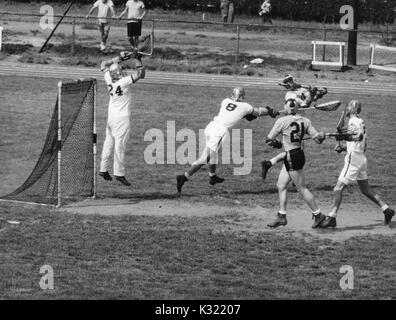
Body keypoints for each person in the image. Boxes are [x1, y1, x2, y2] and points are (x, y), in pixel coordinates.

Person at [176, 87, 278, 194]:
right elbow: (259, 112)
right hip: (220, 131)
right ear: (243, 96)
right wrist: (271, 111)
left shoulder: (225, 101)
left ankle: (212, 176)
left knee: (213, 153)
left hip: (211, 127)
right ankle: (184, 176)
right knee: (206, 157)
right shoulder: (245, 106)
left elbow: (235, 113)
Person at [320, 100, 395, 228]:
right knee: (365, 189)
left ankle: (332, 217)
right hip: (361, 158)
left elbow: (357, 137)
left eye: (349, 106)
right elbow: (361, 145)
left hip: (353, 159)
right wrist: (343, 147)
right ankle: (386, 209)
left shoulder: (353, 122)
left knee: (337, 188)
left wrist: (342, 137)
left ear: (354, 110)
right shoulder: (361, 122)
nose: (347, 108)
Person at [265, 99, 327, 229]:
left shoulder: (281, 121)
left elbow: (269, 140)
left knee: (302, 188)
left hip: (291, 157)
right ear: (297, 109)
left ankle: (318, 215)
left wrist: (277, 144)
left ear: (285, 108)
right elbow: (317, 140)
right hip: (298, 154)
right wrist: (322, 136)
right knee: (281, 185)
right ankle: (282, 216)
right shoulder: (305, 121)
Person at [261, 74, 328, 180]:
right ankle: (294, 177)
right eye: (285, 85)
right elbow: (305, 104)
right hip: (293, 121)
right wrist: (311, 94)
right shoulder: (289, 95)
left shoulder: (301, 88)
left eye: (287, 83)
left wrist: (318, 94)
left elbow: (311, 99)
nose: (286, 86)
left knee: (293, 151)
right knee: (296, 151)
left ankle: (269, 163)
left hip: (300, 120)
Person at [99, 51, 145, 186]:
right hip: (122, 118)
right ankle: (119, 173)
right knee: (120, 145)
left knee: (108, 143)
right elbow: (140, 74)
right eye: (121, 70)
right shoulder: (123, 82)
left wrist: (120, 58)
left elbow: (103, 64)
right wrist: (137, 61)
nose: (123, 72)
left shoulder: (108, 78)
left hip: (111, 117)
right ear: (118, 73)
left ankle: (103, 169)